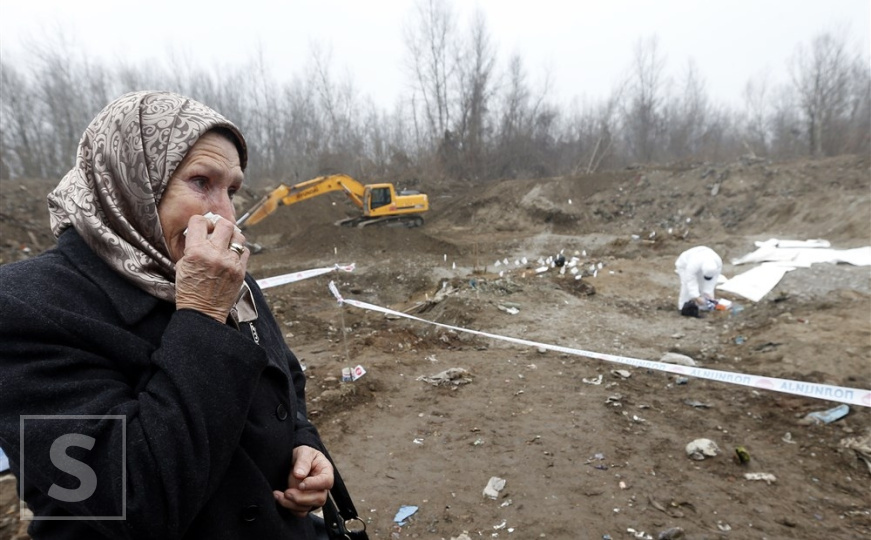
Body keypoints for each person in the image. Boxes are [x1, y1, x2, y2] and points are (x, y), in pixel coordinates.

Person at [0, 91, 338, 539]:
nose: (226, 214)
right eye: (201, 182)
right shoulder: (26, 305)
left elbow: (285, 378)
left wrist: (303, 443)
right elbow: (136, 500)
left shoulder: (225, 278)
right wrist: (202, 315)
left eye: (232, 190)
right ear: (131, 182)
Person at [675, 245, 723, 316]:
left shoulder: (717, 263)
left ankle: (702, 307)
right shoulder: (694, 263)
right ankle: (683, 307)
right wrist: (696, 296)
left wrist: (708, 293)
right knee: (686, 286)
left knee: (703, 285)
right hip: (685, 265)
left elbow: (713, 279)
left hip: (699, 265)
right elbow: (690, 280)